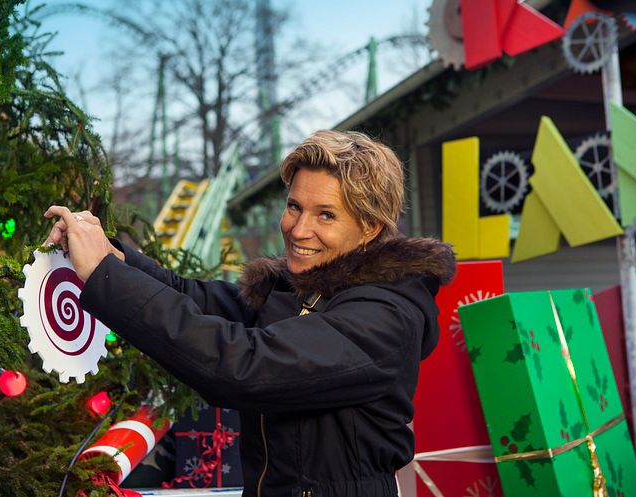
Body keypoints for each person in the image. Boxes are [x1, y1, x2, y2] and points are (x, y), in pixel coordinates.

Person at [45, 129, 455, 497]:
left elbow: (244, 367)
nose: (298, 229)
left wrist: (103, 277)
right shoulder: (298, 292)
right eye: (294, 206)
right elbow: (192, 297)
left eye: (325, 215)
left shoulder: (384, 316)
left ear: (369, 228)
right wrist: (115, 260)